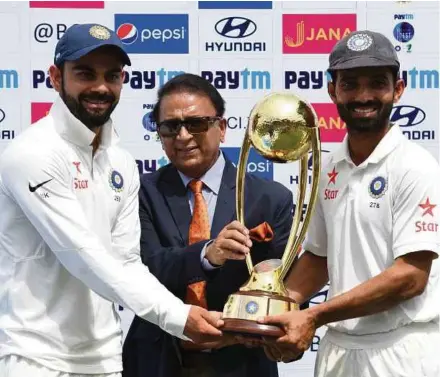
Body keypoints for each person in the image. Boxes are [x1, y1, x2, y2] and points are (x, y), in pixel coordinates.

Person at [0, 24, 224, 377]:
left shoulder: (120, 161)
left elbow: (126, 261)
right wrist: (178, 316)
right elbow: (83, 256)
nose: (101, 87)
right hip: (36, 358)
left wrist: (178, 315)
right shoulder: (32, 153)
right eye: (85, 74)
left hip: (104, 357)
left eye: (112, 75)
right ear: (56, 77)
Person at [258, 30, 440, 376]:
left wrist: (312, 315)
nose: (364, 95)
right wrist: (274, 309)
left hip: (401, 353)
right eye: (350, 84)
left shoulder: (415, 166)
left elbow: (410, 277)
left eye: (377, 83)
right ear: (332, 91)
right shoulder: (328, 166)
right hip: (338, 351)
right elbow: (318, 258)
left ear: (397, 90)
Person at [122, 73, 295, 377]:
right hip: (156, 361)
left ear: (222, 128)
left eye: (196, 123)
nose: (183, 136)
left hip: (243, 363)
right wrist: (208, 254)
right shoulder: (139, 193)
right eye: (170, 126)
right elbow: (143, 270)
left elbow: (284, 288)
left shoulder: (270, 199)